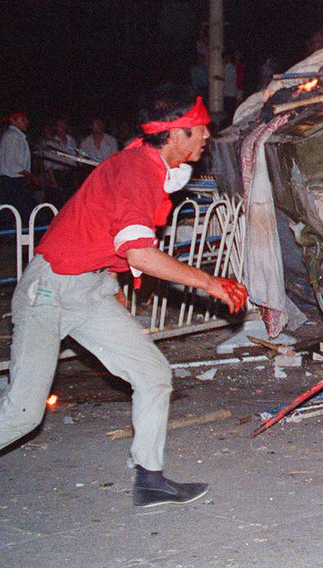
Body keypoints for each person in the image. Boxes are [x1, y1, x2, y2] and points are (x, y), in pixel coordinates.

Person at [0, 91, 249, 507]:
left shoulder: (145, 164)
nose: (207, 135)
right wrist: (209, 282)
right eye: (201, 128)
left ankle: (149, 480)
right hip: (51, 289)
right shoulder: (136, 170)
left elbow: (102, 232)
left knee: (152, 374)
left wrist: (112, 289)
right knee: (25, 412)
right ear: (176, 133)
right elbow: (139, 253)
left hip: (89, 287)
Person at [0, 111, 36, 217]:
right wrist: (30, 175)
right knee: (21, 212)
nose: (26, 122)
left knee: (14, 213)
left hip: (15, 180)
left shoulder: (17, 136)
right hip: (12, 181)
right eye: (23, 119)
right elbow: (12, 164)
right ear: (13, 121)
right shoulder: (13, 136)